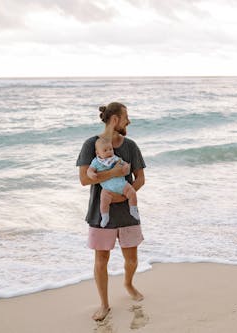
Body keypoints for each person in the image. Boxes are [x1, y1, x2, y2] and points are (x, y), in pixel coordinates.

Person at [76, 102, 146, 321]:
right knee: (101, 259)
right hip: (100, 213)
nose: (129, 121)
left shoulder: (131, 146)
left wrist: (123, 195)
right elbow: (85, 179)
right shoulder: (91, 145)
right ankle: (104, 304)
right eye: (126, 117)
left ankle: (128, 283)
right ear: (115, 119)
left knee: (132, 259)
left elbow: (140, 179)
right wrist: (113, 173)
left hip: (127, 212)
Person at [87, 137, 140, 228]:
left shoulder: (116, 159)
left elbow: (125, 164)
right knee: (103, 201)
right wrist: (91, 174)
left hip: (122, 185)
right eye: (105, 150)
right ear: (97, 153)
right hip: (107, 189)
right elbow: (89, 170)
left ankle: (133, 209)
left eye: (110, 149)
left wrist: (126, 167)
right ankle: (105, 216)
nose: (109, 152)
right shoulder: (96, 162)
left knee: (132, 192)